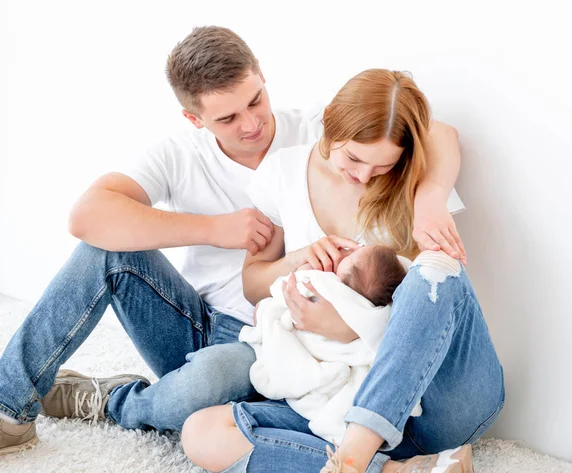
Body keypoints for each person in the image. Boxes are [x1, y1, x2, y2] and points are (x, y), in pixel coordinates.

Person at [0, 26, 467, 455]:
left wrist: (431, 197)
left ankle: (113, 400)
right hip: (191, 321)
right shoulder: (179, 155)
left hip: (265, 341)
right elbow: (87, 216)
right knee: (104, 248)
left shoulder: (320, 136)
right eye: (227, 117)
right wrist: (214, 229)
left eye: (255, 101)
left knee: (201, 386)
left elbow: (435, 132)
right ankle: (9, 406)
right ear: (194, 118)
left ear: (262, 78)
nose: (251, 124)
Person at [180, 69, 504, 473]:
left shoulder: (417, 180)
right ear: (329, 121)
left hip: (438, 406)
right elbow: (253, 286)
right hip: (341, 401)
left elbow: (443, 134)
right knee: (202, 432)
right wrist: (298, 259)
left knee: (435, 267)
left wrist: (353, 326)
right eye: (353, 157)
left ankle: (352, 460)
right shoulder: (282, 173)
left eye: (382, 166)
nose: (364, 175)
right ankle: (396, 470)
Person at [242, 245, 410, 445]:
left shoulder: (328, 283)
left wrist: (301, 273)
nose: (348, 252)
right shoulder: (371, 297)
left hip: (309, 347)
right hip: (325, 357)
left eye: (353, 255)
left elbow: (285, 289)